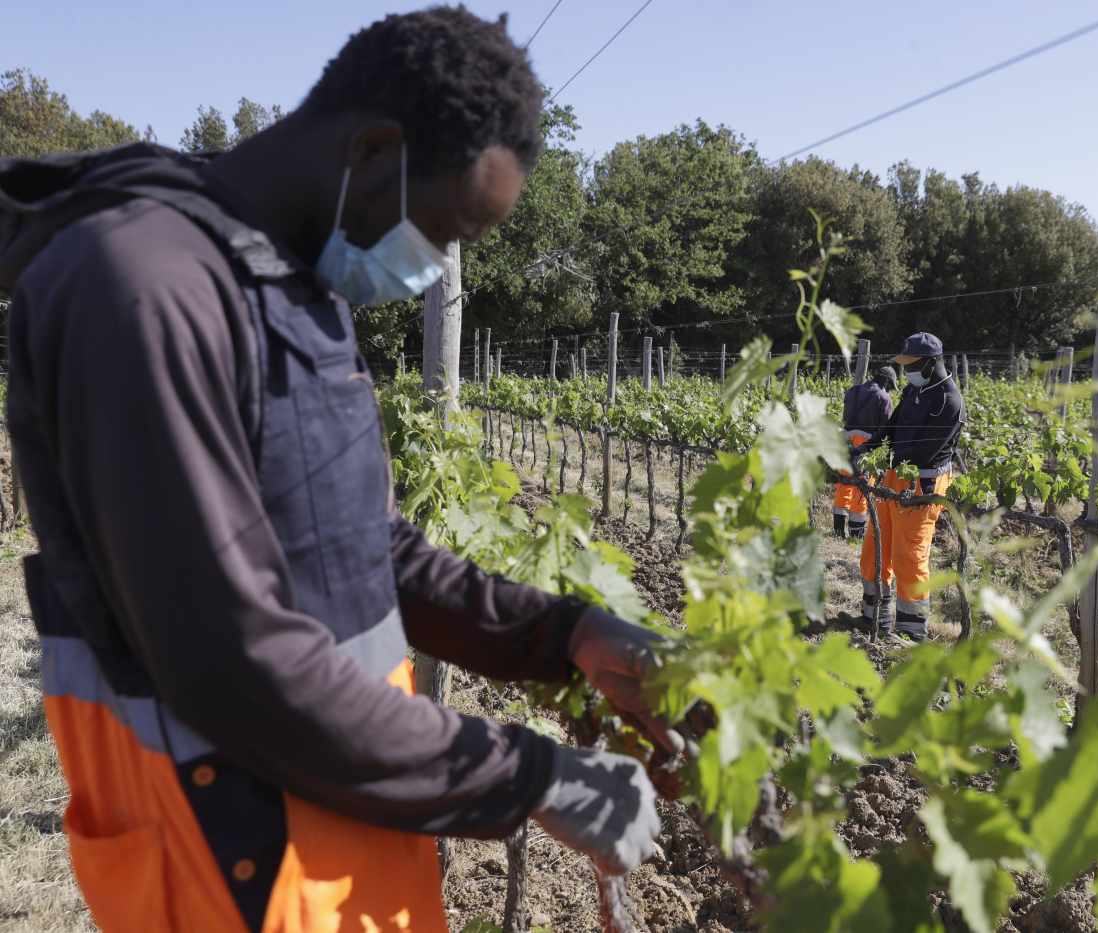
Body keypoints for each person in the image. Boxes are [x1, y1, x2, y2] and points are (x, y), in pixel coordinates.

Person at [0, 9, 675, 932]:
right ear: (372, 150)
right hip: (228, 857)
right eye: (441, 230)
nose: (435, 266)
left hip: (344, 835)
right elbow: (231, 666)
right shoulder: (144, 289)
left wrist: (563, 635)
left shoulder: (290, 284)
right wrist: (535, 775)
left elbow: (364, 547)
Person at [850, 333, 965, 640]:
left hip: (922, 482)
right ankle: (875, 619)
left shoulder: (948, 400)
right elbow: (892, 427)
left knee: (909, 555)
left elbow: (927, 451)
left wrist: (898, 470)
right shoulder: (915, 391)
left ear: (930, 363)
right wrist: (866, 447)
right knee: (876, 545)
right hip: (894, 475)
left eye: (912, 364)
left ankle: (911, 631)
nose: (907, 371)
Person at [832, 365, 897, 539]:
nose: (889, 389)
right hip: (866, 443)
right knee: (863, 487)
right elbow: (886, 428)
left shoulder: (853, 390)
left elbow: (845, 416)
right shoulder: (883, 397)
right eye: (890, 386)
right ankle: (856, 534)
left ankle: (838, 531)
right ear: (886, 381)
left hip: (845, 439)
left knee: (844, 482)